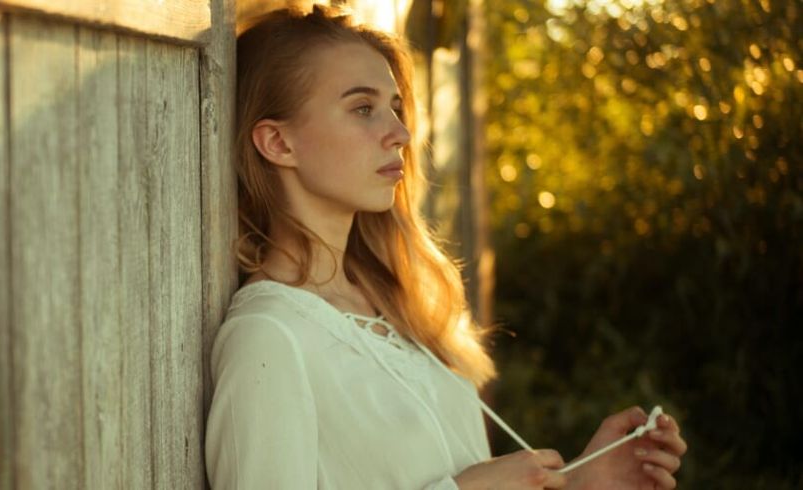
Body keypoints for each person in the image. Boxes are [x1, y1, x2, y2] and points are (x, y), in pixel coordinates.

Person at [204, 5, 687, 489]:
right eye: (363, 108)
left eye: (394, 107)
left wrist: (582, 482)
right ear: (277, 143)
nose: (400, 133)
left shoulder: (396, 308)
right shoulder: (269, 336)